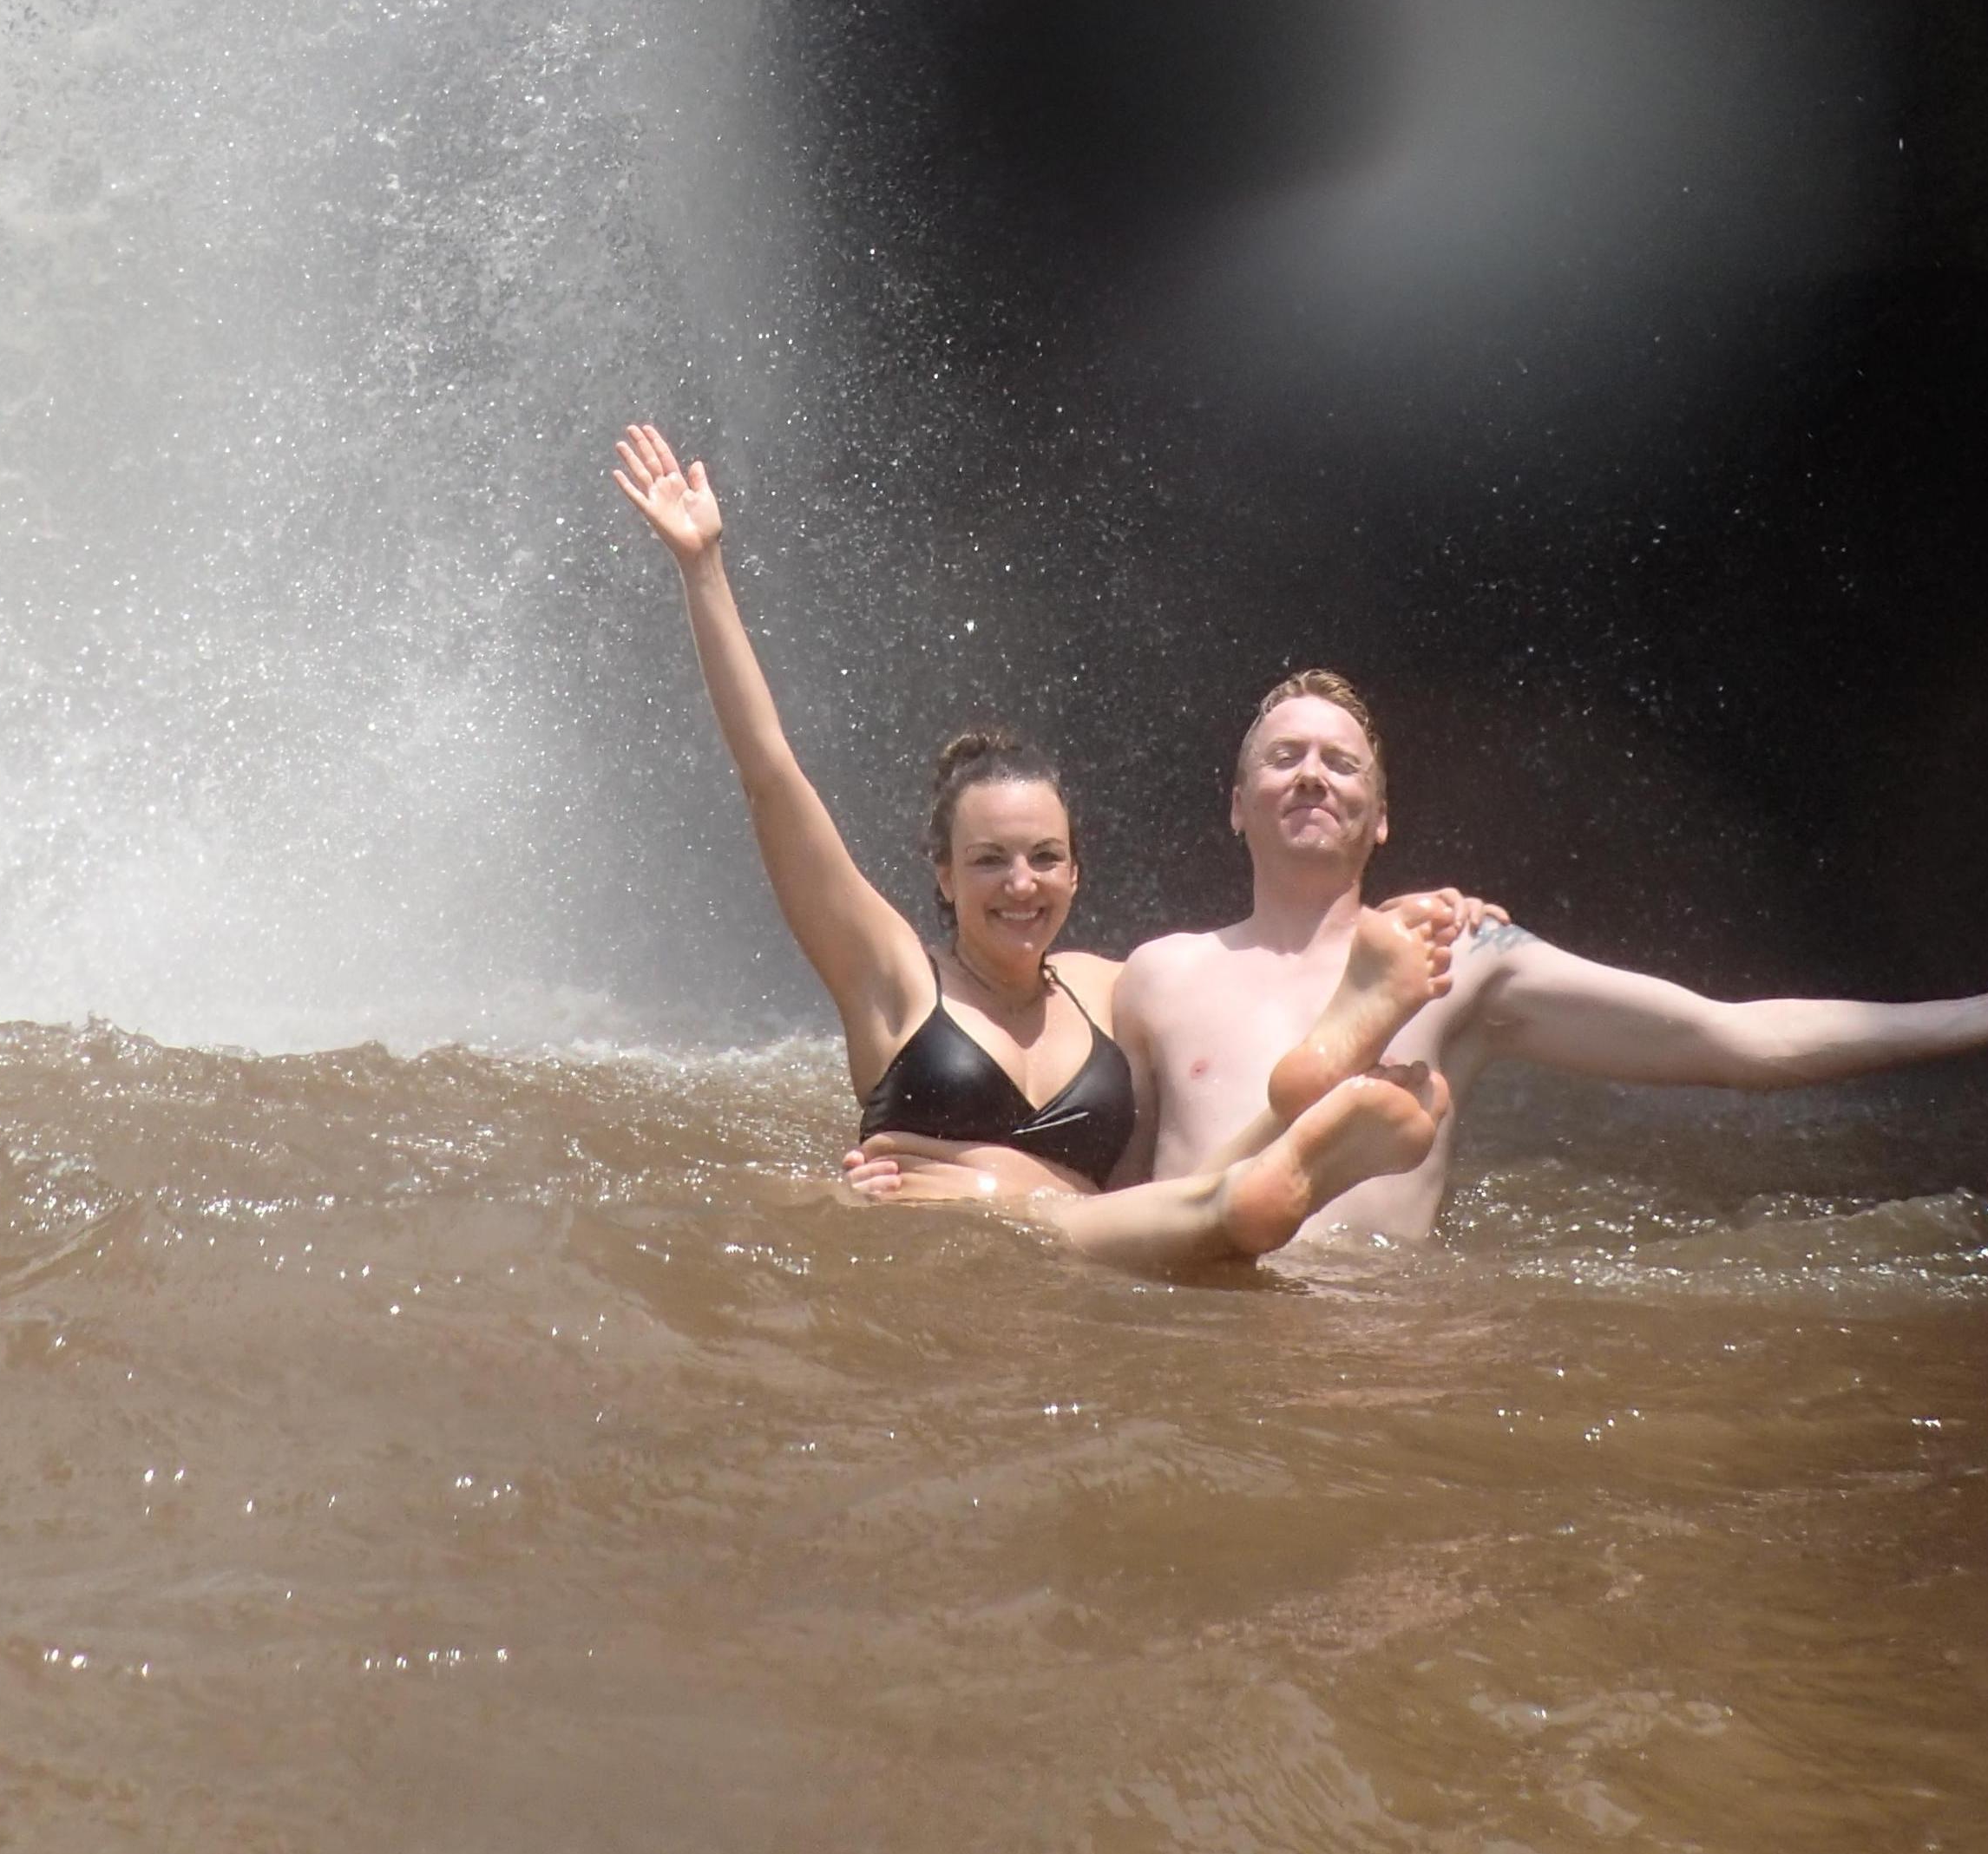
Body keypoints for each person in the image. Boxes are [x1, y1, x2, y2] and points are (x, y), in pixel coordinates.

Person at [613, 426, 1453, 1276]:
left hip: (1086, 1262)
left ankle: (1295, 1126)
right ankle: (1274, 1169)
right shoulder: (894, 980)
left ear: (1077, 872)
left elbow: (1260, 981)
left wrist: (1444, 917)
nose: (1022, 884)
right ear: (943, 872)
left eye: (1046, 857)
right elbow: (771, 778)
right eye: (990, 860)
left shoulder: (1112, 990)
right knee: (1201, 1205)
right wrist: (703, 567)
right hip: (946, 1268)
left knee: (1198, 1193)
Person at [1106, 666, 1988, 1238]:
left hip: (1372, 1345)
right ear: (1235, 806)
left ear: (1382, 817)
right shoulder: (1156, 976)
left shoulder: (1461, 962)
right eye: (1284, 758)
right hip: (1206, 1336)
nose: (1311, 774)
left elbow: (1725, 1039)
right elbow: (1094, 1187)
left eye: (1341, 764)